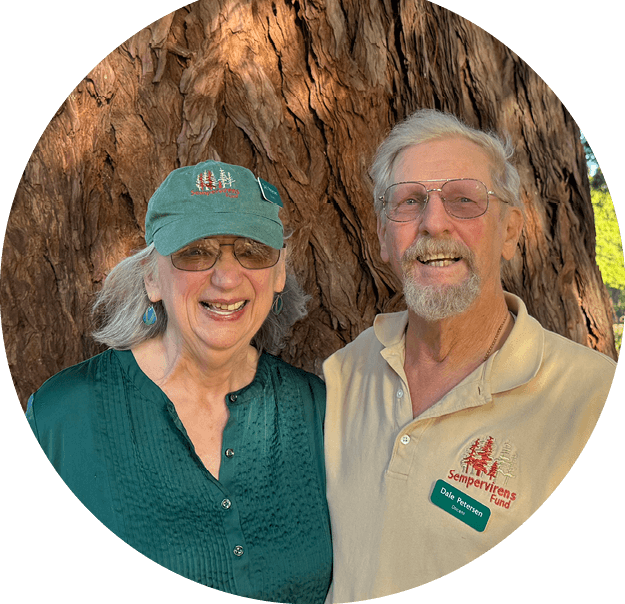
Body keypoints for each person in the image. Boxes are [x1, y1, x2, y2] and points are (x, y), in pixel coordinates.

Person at [323, 109, 616, 601]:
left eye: (463, 200)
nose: (433, 222)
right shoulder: (347, 372)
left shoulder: (588, 397)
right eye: (409, 201)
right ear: (382, 237)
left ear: (510, 231)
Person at [25, 160, 332, 603]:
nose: (227, 278)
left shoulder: (316, 411)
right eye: (195, 251)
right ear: (151, 278)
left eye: (252, 249)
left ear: (278, 273)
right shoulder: (63, 419)